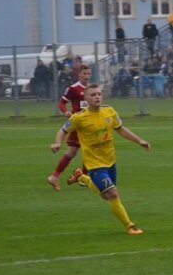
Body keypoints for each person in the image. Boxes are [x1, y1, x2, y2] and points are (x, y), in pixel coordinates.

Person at [51, 83, 149, 235]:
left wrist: (140, 141)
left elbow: (121, 129)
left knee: (105, 195)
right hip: (94, 164)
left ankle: (81, 178)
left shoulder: (109, 111)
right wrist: (57, 143)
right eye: (93, 95)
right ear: (86, 99)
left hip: (110, 161)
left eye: (99, 94)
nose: (97, 97)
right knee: (113, 194)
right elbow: (63, 130)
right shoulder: (80, 118)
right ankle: (130, 226)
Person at [46, 64, 92, 191]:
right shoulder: (73, 88)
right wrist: (66, 112)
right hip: (78, 124)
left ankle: (55, 176)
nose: (87, 76)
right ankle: (83, 178)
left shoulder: (91, 89)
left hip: (89, 125)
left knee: (74, 153)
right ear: (79, 74)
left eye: (89, 74)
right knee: (86, 151)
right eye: (84, 73)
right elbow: (62, 102)